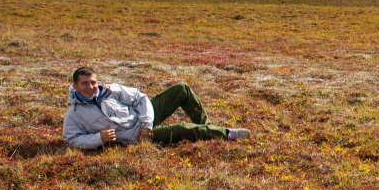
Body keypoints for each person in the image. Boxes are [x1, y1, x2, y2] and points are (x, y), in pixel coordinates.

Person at [62, 66, 250, 149]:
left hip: (144, 124)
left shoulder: (112, 90)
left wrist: (146, 124)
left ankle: (207, 130)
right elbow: (71, 139)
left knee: (181, 89)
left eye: (93, 82)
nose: (90, 87)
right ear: (75, 86)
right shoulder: (74, 114)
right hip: (135, 138)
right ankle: (226, 134)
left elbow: (140, 98)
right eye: (85, 83)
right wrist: (99, 138)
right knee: (181, 129)